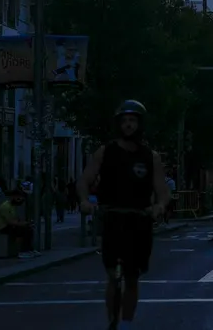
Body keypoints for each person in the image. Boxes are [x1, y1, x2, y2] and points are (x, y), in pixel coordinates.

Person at [78, 100, 170, 330]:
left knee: (131, 277)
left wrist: (159, 206)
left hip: (139, 221)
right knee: (112, 273)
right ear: (118, 124)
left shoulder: (151, 157)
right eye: (125, 121)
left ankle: (127, 322)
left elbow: (162, 191)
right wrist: (84, 201)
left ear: (140, 124)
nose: (129, 125)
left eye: (133, 121)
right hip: (112, 218)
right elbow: (85, 179)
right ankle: (112, 320)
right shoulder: (105, 152)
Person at [0, 187, 36, 257]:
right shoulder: (6, 206)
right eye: (18, 198)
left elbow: (15, 219)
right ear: (12, 197)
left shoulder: (12, 206)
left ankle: (29, 250)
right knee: (24, 230)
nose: (19, 200)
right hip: (3, 228)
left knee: (29, 229)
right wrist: (23, 224)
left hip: (10, 226)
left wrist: (25, 223)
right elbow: (10, 222)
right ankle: (23, 251)